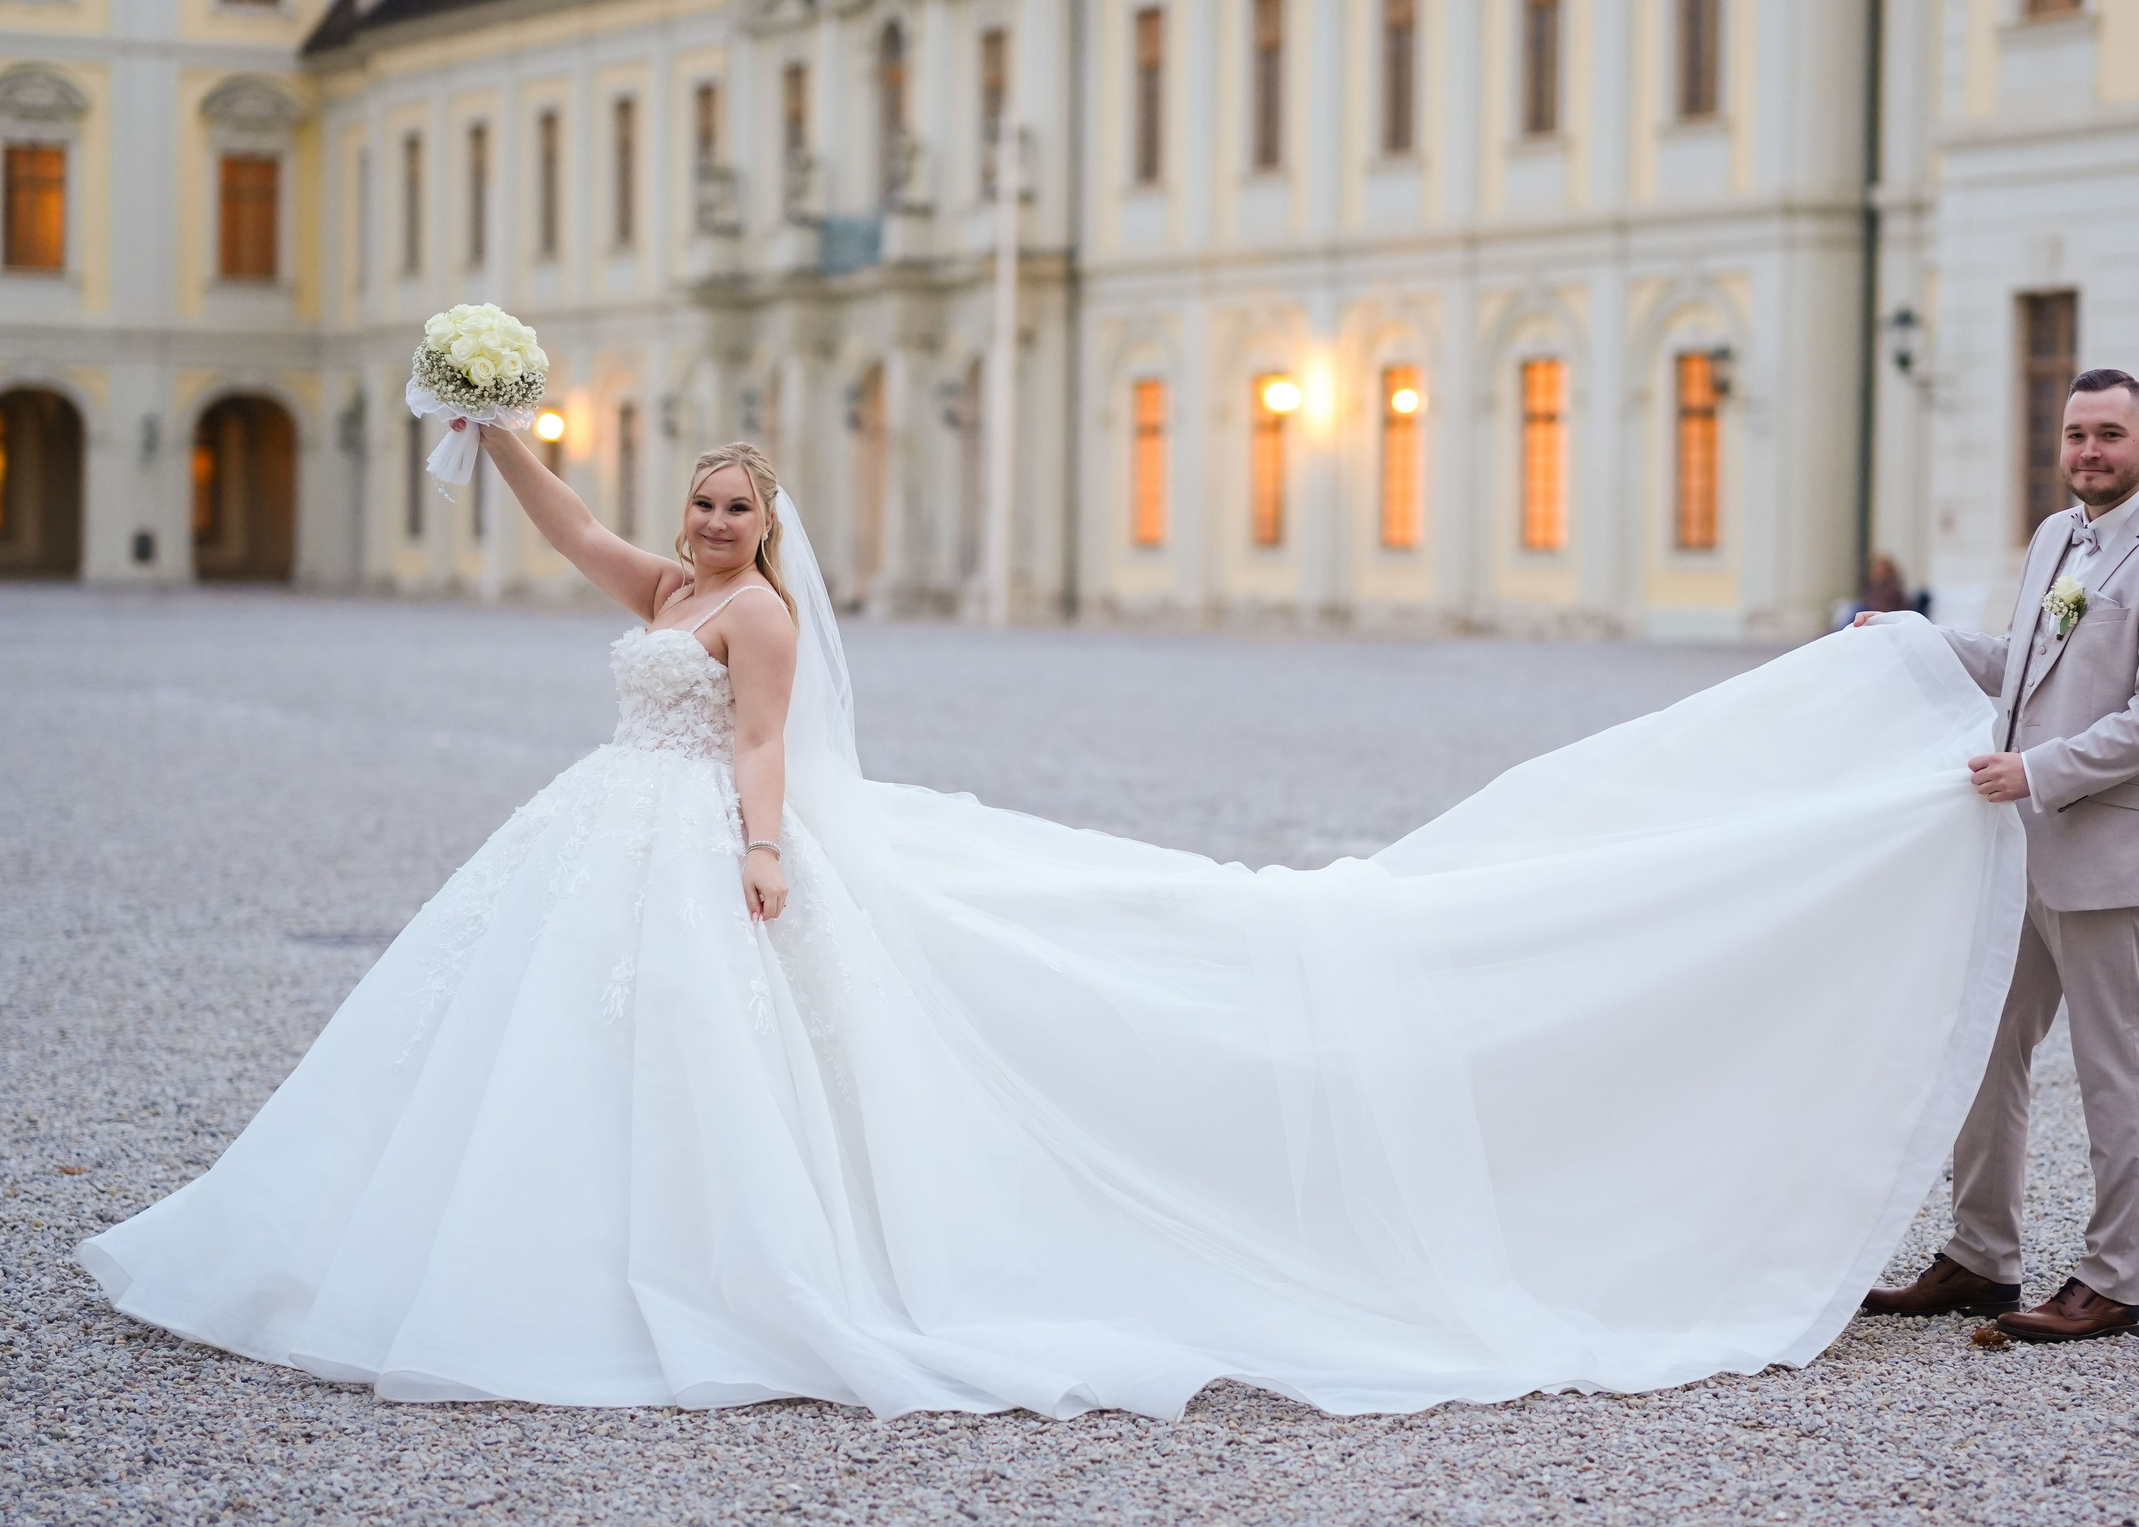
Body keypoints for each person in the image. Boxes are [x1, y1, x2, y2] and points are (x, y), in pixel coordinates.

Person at [80, 422, 2032, 1418]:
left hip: (692, 845)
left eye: (741, 509)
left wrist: (761, 857)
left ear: (775, 531)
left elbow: (762, 749)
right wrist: (493, 420)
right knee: (569, 1061)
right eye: (699, 501)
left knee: (724, 1056)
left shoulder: (743, 618)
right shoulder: (654, 575)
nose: (711, 527)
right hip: (594, 845)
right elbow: (566, 529)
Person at [1856, 367, 2139, 1343]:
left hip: (2113, 852)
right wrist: (1916, 640)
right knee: (1981, 1042)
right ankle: (1980, 1256)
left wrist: (2037, 768)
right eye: (2075, 434)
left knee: (2115, 1067)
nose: (2088, 451)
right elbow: (2023, 659)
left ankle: (2111, 1281)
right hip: (2023, 848)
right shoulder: (2057, 537)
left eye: (2108, 433)